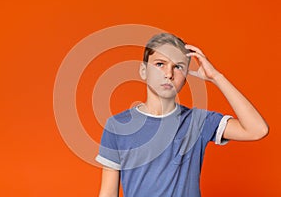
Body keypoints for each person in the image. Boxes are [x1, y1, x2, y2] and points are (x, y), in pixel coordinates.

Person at [95, 33, 269, 197]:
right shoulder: (117, 125)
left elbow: (257, 130)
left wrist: (216, 77)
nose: (169, 74)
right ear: (143, 71)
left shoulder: (198, 121)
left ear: (186, 76)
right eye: (160, 64)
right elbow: (108, 193)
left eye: (178, 67)